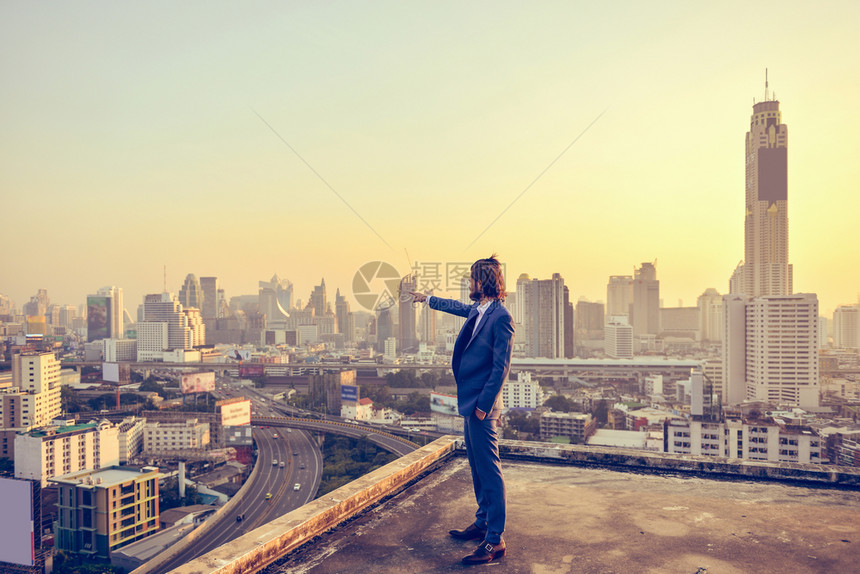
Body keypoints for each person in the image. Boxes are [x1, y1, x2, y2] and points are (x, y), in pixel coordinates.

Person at [411, 254, 514, 565]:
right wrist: (426, 298)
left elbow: (501, 368)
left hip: (482, 407)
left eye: (472, 278)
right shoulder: (479, 310)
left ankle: (494, 539)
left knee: (490, 471)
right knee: (476, 466)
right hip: (470, 403)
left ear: (483, 282)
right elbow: (456, 307)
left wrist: (483, 407)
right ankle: (482, 522)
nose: (468, 283)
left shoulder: (501, 317)